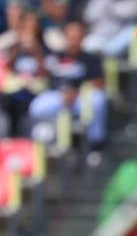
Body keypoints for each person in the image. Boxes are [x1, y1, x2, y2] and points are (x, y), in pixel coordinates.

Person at [29, 21, 109, 163]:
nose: (73, 41)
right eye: (70, 37)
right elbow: (44, 75)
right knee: (36, 106)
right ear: (65, 37)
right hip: (59, 97)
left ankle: (96, 144)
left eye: (76, 37)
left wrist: (77, 92)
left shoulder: (91, 59)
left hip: (81, 99)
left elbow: (100, 84)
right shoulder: (56, 56)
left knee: (98, 100)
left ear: (83, 38)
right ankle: (47, 141)